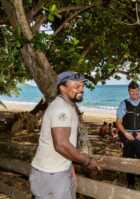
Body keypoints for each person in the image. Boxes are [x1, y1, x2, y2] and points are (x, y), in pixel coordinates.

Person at [30, 71, 99, 199]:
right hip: (53, 175)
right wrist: (87, 161)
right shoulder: (61, 109)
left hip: (52, 170)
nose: (81, 89)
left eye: (82, 86)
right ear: (62, 87)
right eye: (76, 86)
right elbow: (61, 145)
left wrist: (69, 166)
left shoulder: (64, 105)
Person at [116, 81, 140, 189]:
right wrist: (125, 133)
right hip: (127, 136)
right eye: (132, 93)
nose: (134, 95)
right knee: (128, 160)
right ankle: (131, 183)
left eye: (136, 92)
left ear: (139, 91)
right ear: (129, 92)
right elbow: (118, 122)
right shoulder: (123, 103)